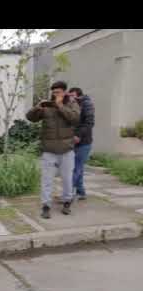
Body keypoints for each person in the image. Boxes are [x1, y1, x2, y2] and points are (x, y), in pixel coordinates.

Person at [26, 81, 80, 219]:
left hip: (66, 150)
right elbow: (30, 118)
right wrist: (37, 107)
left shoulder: (71, 104)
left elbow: (74, 119)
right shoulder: (47, 105)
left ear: (64, 92)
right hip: (49, 150)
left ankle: (67, 201)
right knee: (46, 180)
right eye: (54, 92)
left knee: (67, 179)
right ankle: (46, 206)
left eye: (58, 92)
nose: (55, 94)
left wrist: (60, 105)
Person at [68, 88, 95, 201]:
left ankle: (68, 194)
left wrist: (78, 135)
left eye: (73, 96)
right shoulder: (73, 105)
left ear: (79, 95)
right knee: (78, 168)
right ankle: (81, 192)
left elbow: (89, 123)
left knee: (75, 168)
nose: (71, 98)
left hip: (83, 142)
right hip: (73, 141)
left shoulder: (87, 104)